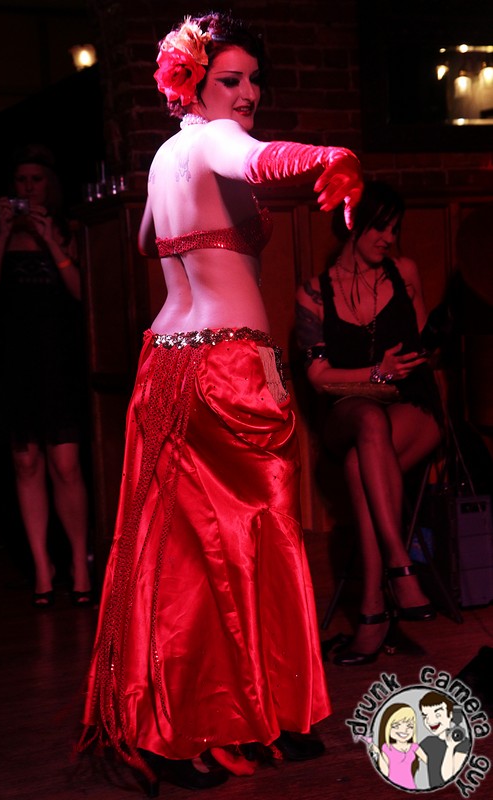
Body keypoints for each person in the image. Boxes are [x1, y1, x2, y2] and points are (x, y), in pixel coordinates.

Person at [78, 10, 363, 794]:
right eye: (230, 79)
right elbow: (259, 159)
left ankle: (236, 718)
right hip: (224, 369)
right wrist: (330, 159)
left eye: (253, 80)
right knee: (252, 542)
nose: (247, 92)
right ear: (191, 85)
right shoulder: (213, 141)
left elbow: (147, 239)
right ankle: (235, 720)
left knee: (188, 554)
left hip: (166, 363)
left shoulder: (167, 157)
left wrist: (203, 233)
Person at [295, 180, 443, 666]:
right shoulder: (314, 293)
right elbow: (318, 377)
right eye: (380, 227)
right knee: (367, 426)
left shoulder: (405, 272)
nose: (389, 238)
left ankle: (373, 609)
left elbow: (422, 351)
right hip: (348, 409)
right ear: (352, 224)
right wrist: (375, 372)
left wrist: (426, 350)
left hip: (411, 406)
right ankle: (401, 564)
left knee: (362, 464)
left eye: (394, 229)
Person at [0, 144, 92, 609]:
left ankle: (79, 566)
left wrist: (52, 244)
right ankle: (43, 569)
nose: (28, 188)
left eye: (36, 180)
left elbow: (83, 294)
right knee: (26, 464)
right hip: (14, 360)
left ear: (50, 185)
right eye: (21, 181)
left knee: (65, 464)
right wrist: (4, 234)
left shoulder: (66, 229)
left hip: (57, 358)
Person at [370, 702, 427, 790]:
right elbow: (385, 772)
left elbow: (430, 762)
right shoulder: (387, 748)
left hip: (411, 787)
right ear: (387, 727)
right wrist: (377, 753)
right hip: (392, 787)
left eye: (410, 726)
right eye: (396, 726)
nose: (404, 730)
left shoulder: (414, 747)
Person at [419, 691, 470, 788]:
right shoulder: (428, 742)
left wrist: (450, 747)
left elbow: (448, 778)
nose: (430, 721)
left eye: (438, 715)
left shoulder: (463, 743)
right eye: (425, 716)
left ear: (450, 715)